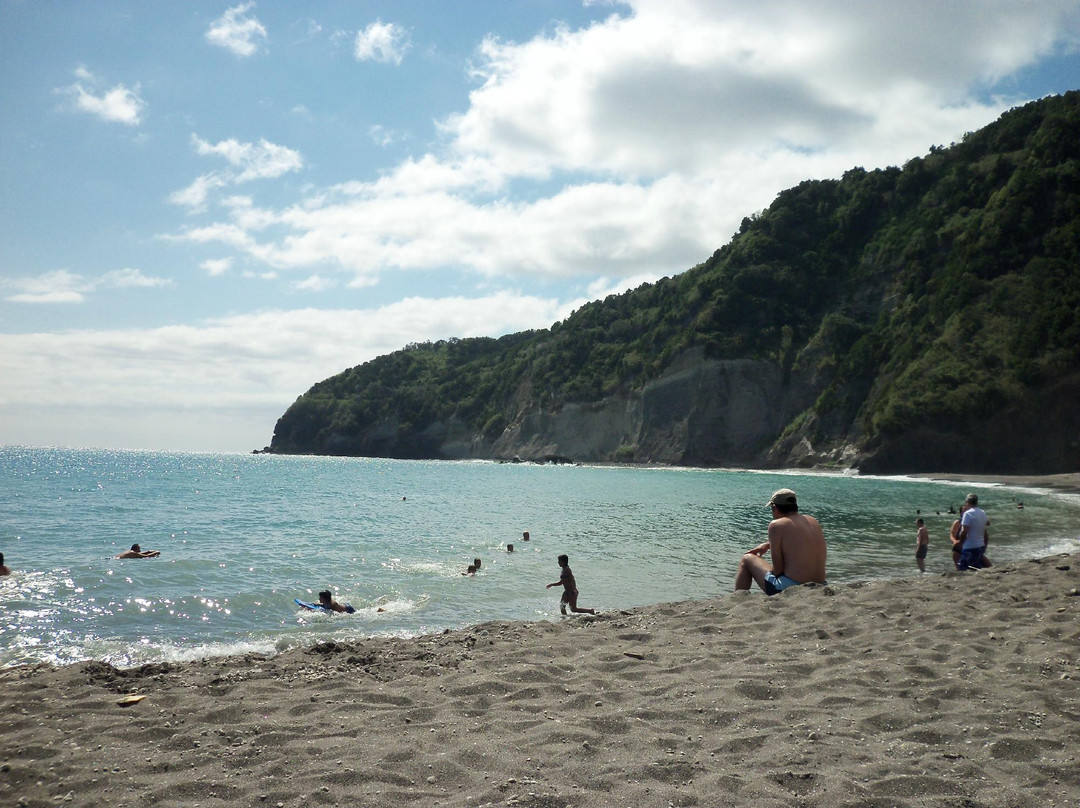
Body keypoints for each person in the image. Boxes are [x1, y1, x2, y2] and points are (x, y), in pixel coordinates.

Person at [734, 488, 827, 595]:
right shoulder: (812, 520)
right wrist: (767, 545)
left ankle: (737, 598)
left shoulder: (776, 525)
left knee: (747, 559)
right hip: (821, 585)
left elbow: (778, 570)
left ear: (775, 508)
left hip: (793, 589)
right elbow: (799, 542)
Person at [957, 493, 989, 571]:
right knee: (975, 567)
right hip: (980, 544)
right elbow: (987, 523)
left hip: (970, 545)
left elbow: (964, 531)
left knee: (963, 568)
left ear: (967, 502)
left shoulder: (968, 514)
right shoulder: (982, 512)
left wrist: (960, 543)